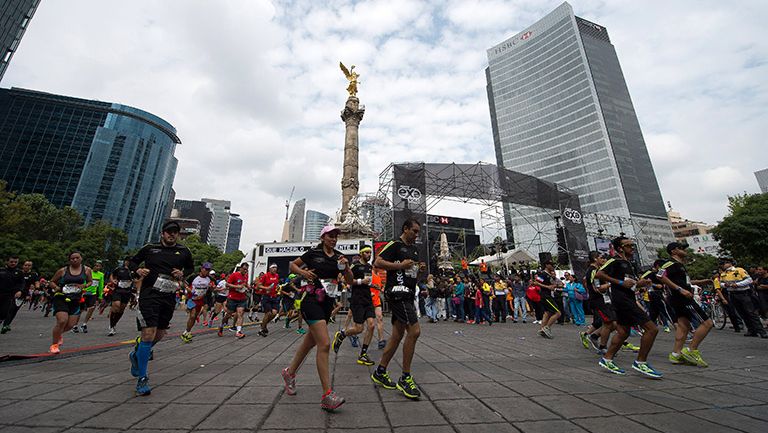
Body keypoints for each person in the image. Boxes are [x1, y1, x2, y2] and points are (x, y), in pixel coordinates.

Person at [282, 225, 352, 411]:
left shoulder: (339, 257)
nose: (334, 239)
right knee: (325, 344)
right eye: (330, 236)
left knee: (309, 343)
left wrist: (346, 268)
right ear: (323, 237)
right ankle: (327, 395)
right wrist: (303, 272)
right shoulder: (313, 253)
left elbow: (350, 281)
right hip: (311, 300)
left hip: (327, 303)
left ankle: (289, 373)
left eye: (336, 236)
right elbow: (293, 265)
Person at [128, 220, 194, 396]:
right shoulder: (150, 248)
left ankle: (136, 355)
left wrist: (183, 274)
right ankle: (142, 378)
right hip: (150, 294)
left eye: (175, 232)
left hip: (168, 295)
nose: (172, 235)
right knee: (148, 332)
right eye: (169, 232)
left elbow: (190, 268)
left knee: (160, 333)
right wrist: (138, 271)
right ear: (162, 233)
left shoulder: (184, 251)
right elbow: (132, 262)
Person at [370, 218, 426, 400]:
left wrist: (419, 269)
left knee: (396, 336)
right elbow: (377, 262)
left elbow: (411, 271)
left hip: (409, 293)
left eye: (418, 232)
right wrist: (399, 266)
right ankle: (405, 377)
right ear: (405, 229)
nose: (417, 235)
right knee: (415, 331)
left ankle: (380, 371)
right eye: (414, 231)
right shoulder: (395, 244)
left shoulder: (414, 249)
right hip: (397, 293)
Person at [595, 236, 662, 378]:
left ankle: (607, 359)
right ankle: (641, 361)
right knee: (652, 329)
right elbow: (599, 273)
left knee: (623, 332)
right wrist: (619, 282)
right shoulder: (615, 261)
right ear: (620, 248)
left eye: (633, 245)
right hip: (623, 301)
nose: (632, 247)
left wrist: (641, 283)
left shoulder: (629, 263)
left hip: (628, 298)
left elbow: (630, 284)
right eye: (628, 245)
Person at [657, 242, 715, 367]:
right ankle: (691, 350)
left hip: (681, 298)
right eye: (681, 248)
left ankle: (676, 354)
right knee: (707, 323)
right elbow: (660, 275)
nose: (685, 250)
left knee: (684, 326)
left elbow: (684, 282)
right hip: (682, 299)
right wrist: (680, 290)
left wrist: (701, 281)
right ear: (673, 251)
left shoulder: (680, 265)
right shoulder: (670, 263)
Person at [332, 245, 377, 366]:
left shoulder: (369, 266)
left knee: (372, 325)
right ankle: (342, 334)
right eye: (367, 252)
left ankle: (363, 354)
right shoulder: (355, 266)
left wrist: (373, 286)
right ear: (361, 253)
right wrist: (360, 282)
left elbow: (368, 281)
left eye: (370, 252)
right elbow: (346, 280)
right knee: (359, 329)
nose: (369, 254)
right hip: (357, 299)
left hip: (368, 298)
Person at [48, 252, 93, 353]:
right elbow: (51, 281)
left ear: (81, 258)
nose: (75, 260)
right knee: (62, 321)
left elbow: (90, 281)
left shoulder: (87, 270)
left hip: (75, 299)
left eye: (77, 258)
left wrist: (84, 286)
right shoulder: (63, 271)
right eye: (72, 258)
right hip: (61, 298)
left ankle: (58, 334)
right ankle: (54, 345)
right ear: (69, 260)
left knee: (71, 324)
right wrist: (56, 287)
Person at [719, 258, 767, 338]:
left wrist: (738, 284)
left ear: (730, 263)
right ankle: (751, 330)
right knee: (742, 313)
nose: (723, 265)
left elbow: (749, 280)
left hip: (743, 293)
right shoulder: (723, 274)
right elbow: (721, 283)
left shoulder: (739, 270)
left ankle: (762, 331)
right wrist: (725, 285)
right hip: (732, 294)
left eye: (724, 263)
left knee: (751, 313)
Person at [181, 262, 215, 343]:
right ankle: (187, 332)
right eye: (206, 269)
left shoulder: (210, 278)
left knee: (194, 317)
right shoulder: (193, 277)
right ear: (202, 269)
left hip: (201, 300)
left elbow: (213, 289)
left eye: (208, 270)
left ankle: (186, 331)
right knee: (192, 316)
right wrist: (188, 290)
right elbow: (184, 283)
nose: (207, 271)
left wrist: (211, 288)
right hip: (192, 299)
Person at [73, 260, 104, 333]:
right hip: (84, 292)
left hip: (92, 293)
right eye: (96, 266)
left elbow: (101, 286)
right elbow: (82, 281)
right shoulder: (87, 272)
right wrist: (80, 291)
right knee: (80, 310)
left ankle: (84, 324)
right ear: (93, 266)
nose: (97, 267)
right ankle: (75, 325)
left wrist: (100, 296)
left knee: (92, 308)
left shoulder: (101, 275)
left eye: (99, 266)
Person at [108, 258, 135, 336]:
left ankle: (114, 323)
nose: (128, 262)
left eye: (130, 261)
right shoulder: (119, 269)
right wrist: (113, 280)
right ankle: (111, 326)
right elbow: (112, 275)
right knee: (116, 306)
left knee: (121, 309)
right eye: (127, 261)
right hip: (118, 291)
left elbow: (138, 279)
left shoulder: (133, 271)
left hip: (127, 292)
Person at [221, 263, 249, 339]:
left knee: (240, 314)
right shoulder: (234, 275)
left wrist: (248, 287)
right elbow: (227, 285)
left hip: (242, 298)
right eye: (244, 269)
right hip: (233, 298)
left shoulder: (246, 275)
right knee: (228, 314)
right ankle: (221, 325)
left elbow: (245, 284)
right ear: (240, 268)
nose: (245, 271)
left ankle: (238, 332)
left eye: (246, 269)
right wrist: (237, 286)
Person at [534, 261, 562, 338]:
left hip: (548, 295)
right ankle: (547, 328)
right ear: (546, 265)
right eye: (551, 265)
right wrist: (548, 287)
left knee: (547, 313)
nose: (553, 266)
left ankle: (542, 329)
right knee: (558, 313)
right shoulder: (543, 274)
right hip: (545, 296)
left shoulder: (550, 275)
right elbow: (536, 282)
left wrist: (555, 286)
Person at [0, 256, 24, 335]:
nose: (13, 263)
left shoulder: (19, 272)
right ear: (7, 262)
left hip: (10, 295)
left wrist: (20, 290)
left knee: (6, 311)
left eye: (15, 262)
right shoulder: (1, 270)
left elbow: (22, 283)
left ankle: (3, 321)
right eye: (11, 262)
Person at [257, 264, 280, 337]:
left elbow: (276, 284)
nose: (275, 269)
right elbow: (259, 285)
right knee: (268, 313)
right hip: (266, 297)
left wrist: (278, 288)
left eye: (276, 267)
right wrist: (266, 288)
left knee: (274, 313)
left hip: (274, 297)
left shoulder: (276, 275)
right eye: (273, 267)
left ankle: (264, 324)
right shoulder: (265, 276)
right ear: (269, 269)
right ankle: (262, 329)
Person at [371, 270, 386, 348]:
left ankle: (381, 340)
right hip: (368, 300)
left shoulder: (379, 275)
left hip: (376, 300)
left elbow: (379, 287)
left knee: (379, 318)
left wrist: (382, 289)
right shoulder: (369, 273)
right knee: (361, 325)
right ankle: (351, 334)